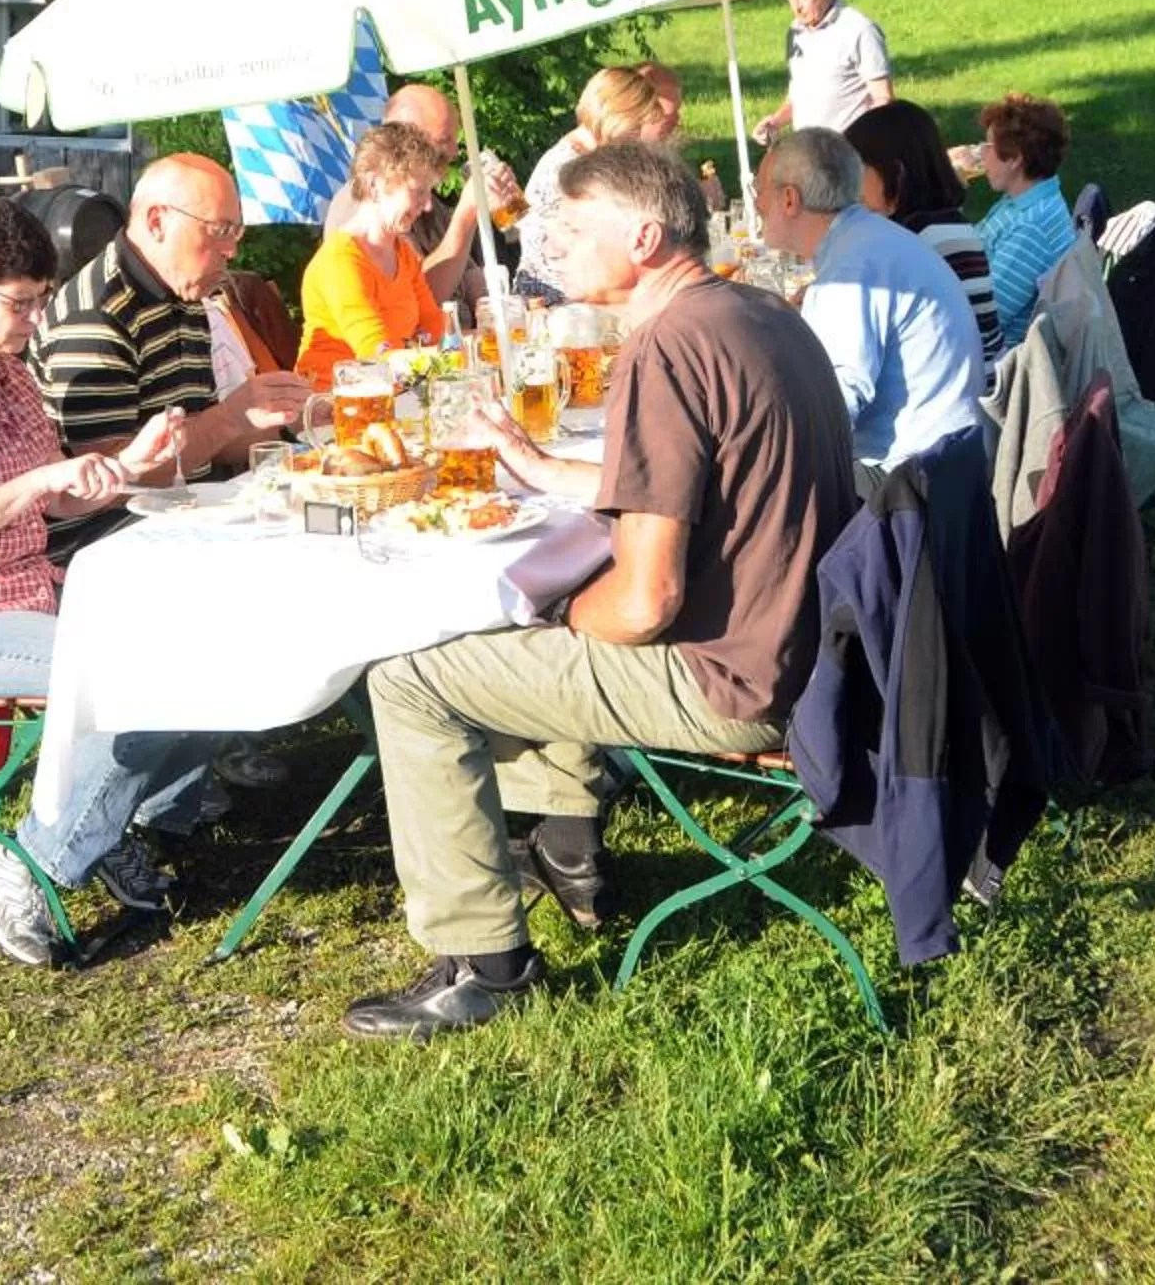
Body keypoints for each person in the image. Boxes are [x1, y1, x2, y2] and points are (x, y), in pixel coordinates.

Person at [341, 142, 859, 1040]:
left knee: (412, 681)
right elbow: (695, 481)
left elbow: (646, 602)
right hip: (813, 650)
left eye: (574, 228)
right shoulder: (753, 312)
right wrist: (541, 466)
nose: (550, 243)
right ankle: (564, 844)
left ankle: (483, 963)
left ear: (645, 236)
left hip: (734, 682)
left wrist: (556, 614)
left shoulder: (664, 350)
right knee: (546, 605)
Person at [0, 197, 225, 966]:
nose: (36, 320)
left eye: (41, 300)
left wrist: (134, 462)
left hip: (32, 589)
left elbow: (58, 496)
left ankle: (99, 826)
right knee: (136, 676)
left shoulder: (9, 376)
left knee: (213, 648)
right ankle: (32, 859)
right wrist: (36, 485)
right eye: (20, 304)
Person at [31, 154, 315, 478]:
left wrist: (299, 423)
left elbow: (204, 445)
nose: (231, 250)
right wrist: (231, 416)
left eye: (235, 233)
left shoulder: (184, 291)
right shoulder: (95, 317)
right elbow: (106, 485)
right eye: (219, 229)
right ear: (157, 222)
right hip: (113, 526)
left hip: (186, 507)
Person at [752, 130, 985, 472]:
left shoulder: (852, 270)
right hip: (949, 463)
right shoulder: (869, 238)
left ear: (789, 200)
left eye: (759, 191)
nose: (756, 203)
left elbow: (833, 407)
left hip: (910, 485)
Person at [321, 82, 516, 307]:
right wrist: (468, 211)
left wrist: (504, 311)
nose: (454, 152)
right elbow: (419, 299)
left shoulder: (426, 202)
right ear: (405, 142)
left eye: (455, 139)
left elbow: (471, 278)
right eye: (443, 140)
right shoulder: (365, 205)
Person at [845, 99, 1001, 364]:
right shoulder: (948, 225)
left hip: (957, 390)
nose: (851, 186)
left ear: (896, 173)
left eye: (858, 170)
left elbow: (865, 342)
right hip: (979, 379)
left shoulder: (915, 244)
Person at [297, 123, 451, 378]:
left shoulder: (404, 253)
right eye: (417, 192)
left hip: (391, 393)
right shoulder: (340, 261)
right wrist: (451, 357)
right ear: (374, 186)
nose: (426, 207)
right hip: (333, 402)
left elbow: (433, 324)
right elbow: (375, 352)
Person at [512, 65, 670, 302]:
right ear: (616, 116)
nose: (637, 136)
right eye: (635, 126)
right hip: (553, 303)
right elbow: (580, 256)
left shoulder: (590, 158)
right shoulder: (569, 169)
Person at [973, 94, 1077, 353]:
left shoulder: (1030, 228)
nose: (981, 154)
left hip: (997, 364)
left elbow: (982, 322)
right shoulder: (1023, 200)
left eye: (988, 146)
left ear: (1015, 159)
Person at [752, 0, 893, 144]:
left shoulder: (859, 30)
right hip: (807, 151)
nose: (797, 6)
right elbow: (798, 97)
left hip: (850, 151)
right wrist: (775, 122)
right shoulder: (796, 33)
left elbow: (882, 99)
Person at [633, 61, 725, 212]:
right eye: (669, 114)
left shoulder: (659, 152)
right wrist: (697, 194)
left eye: (678, 111)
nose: (677, 120)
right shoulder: (615, 154)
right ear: (640, 110)